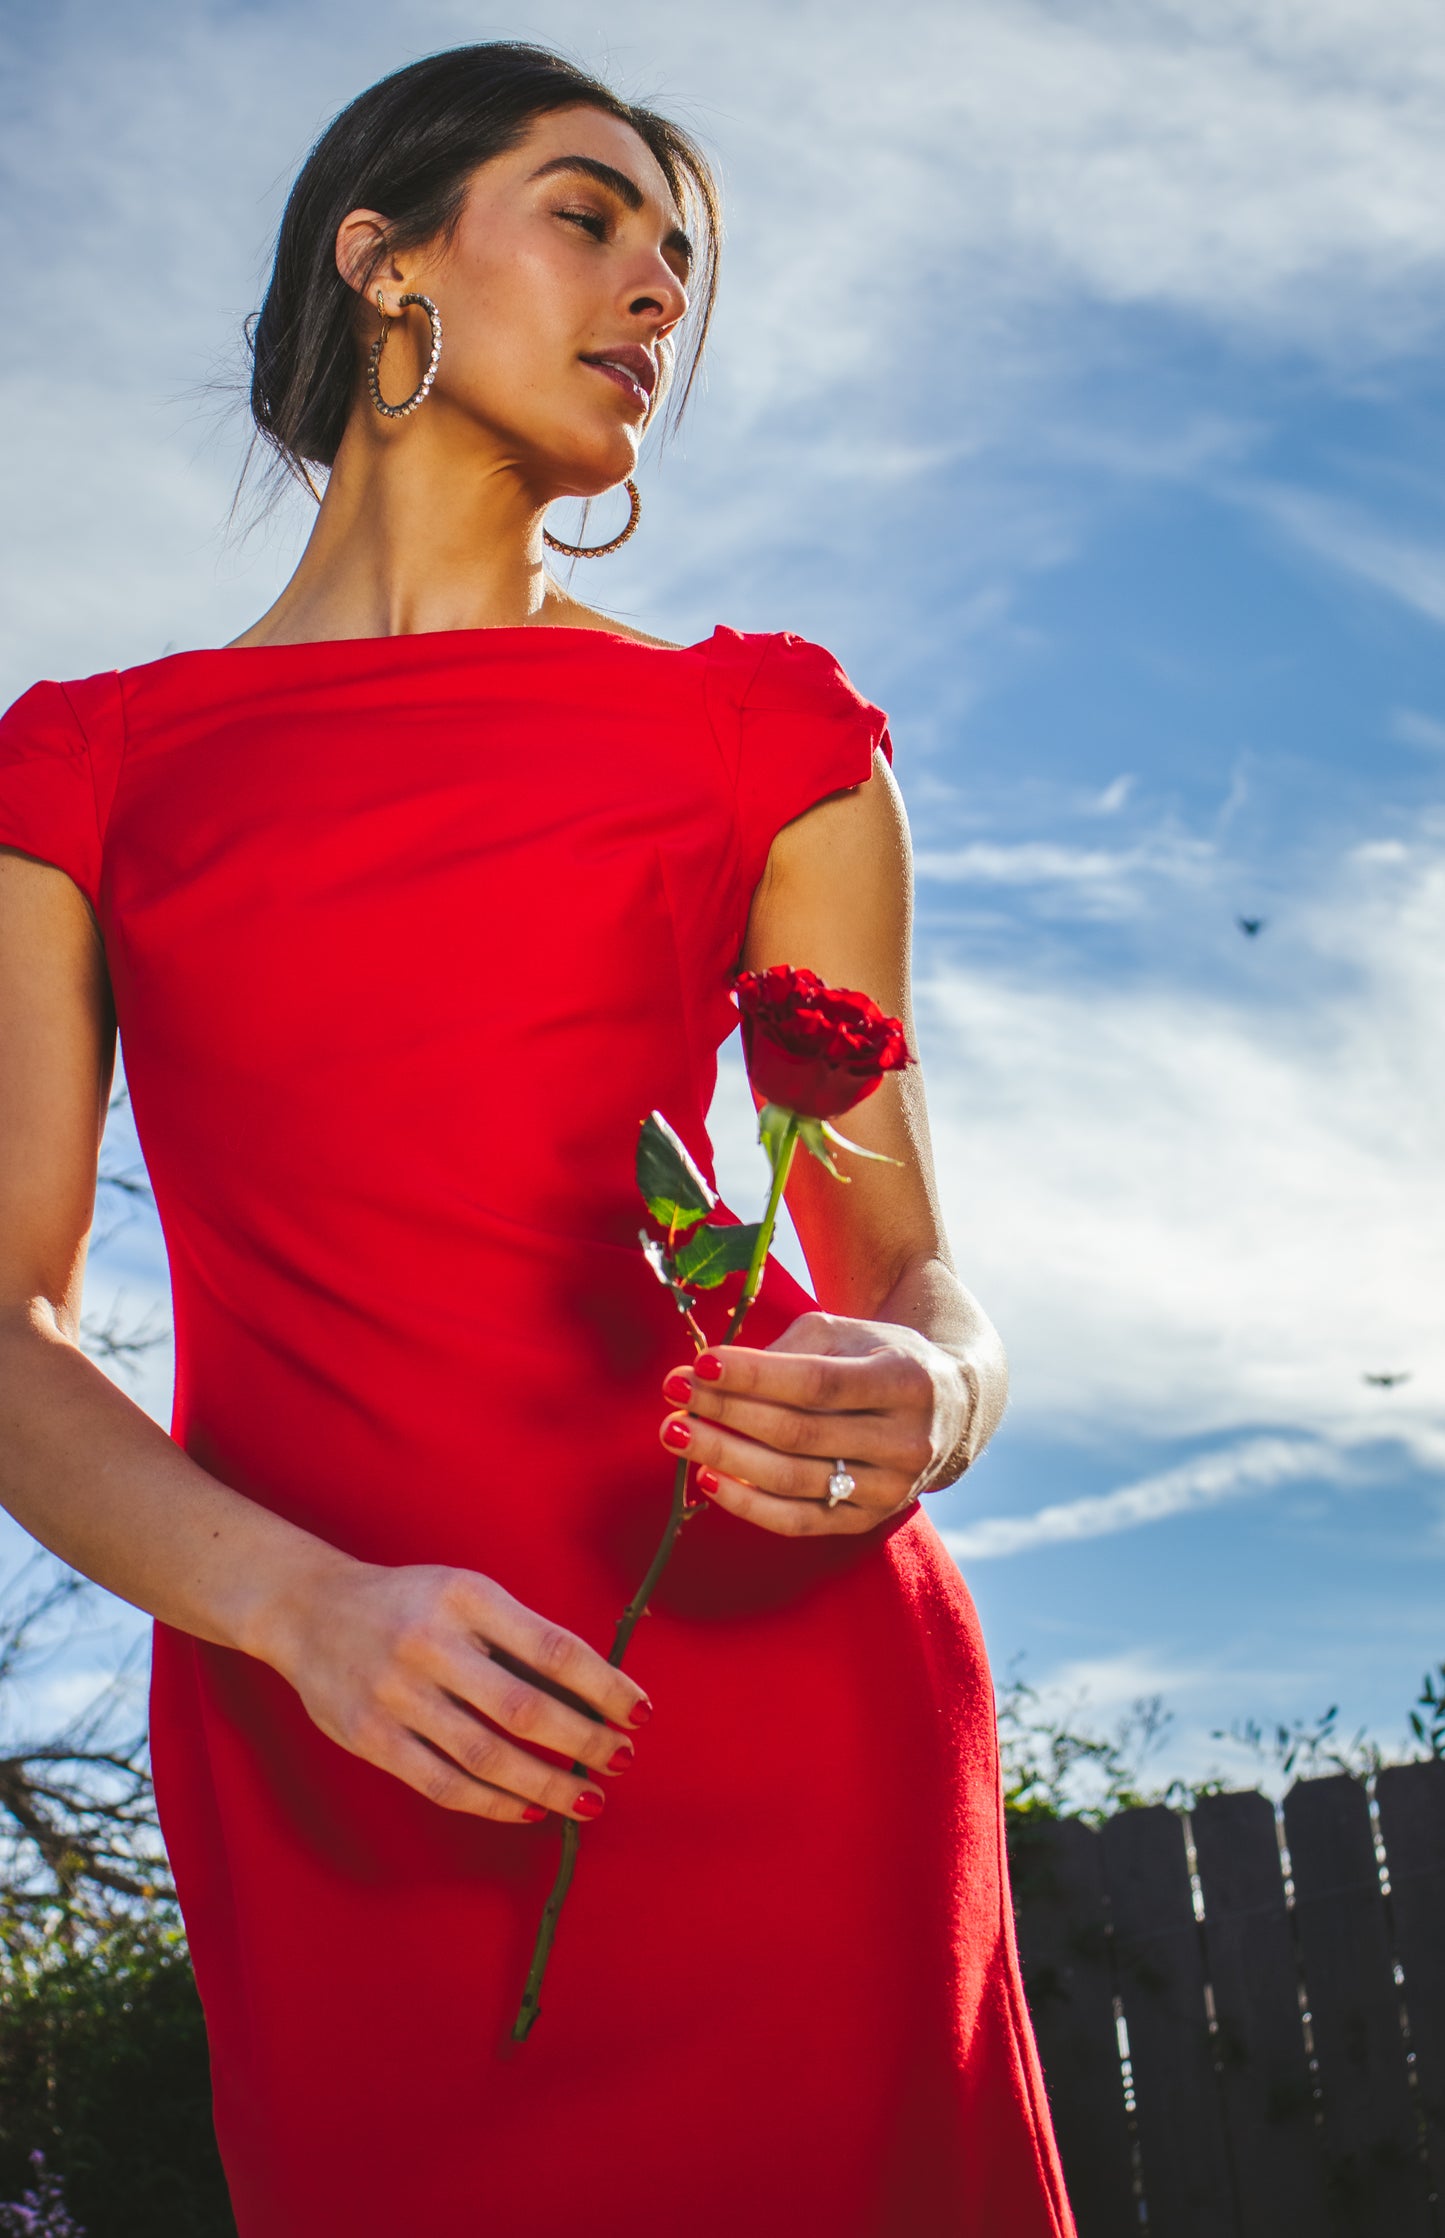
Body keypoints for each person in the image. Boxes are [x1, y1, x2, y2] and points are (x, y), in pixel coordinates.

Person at [0, 41, 1075, 2238]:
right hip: (327, 1736)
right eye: (590, 218)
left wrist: (937, 1393)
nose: (655, 293)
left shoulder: (758, 731)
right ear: (379, 259)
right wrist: (296, 1614)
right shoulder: (86, 772)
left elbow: (906, 1273)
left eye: (679, 262)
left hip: (777, 1706)